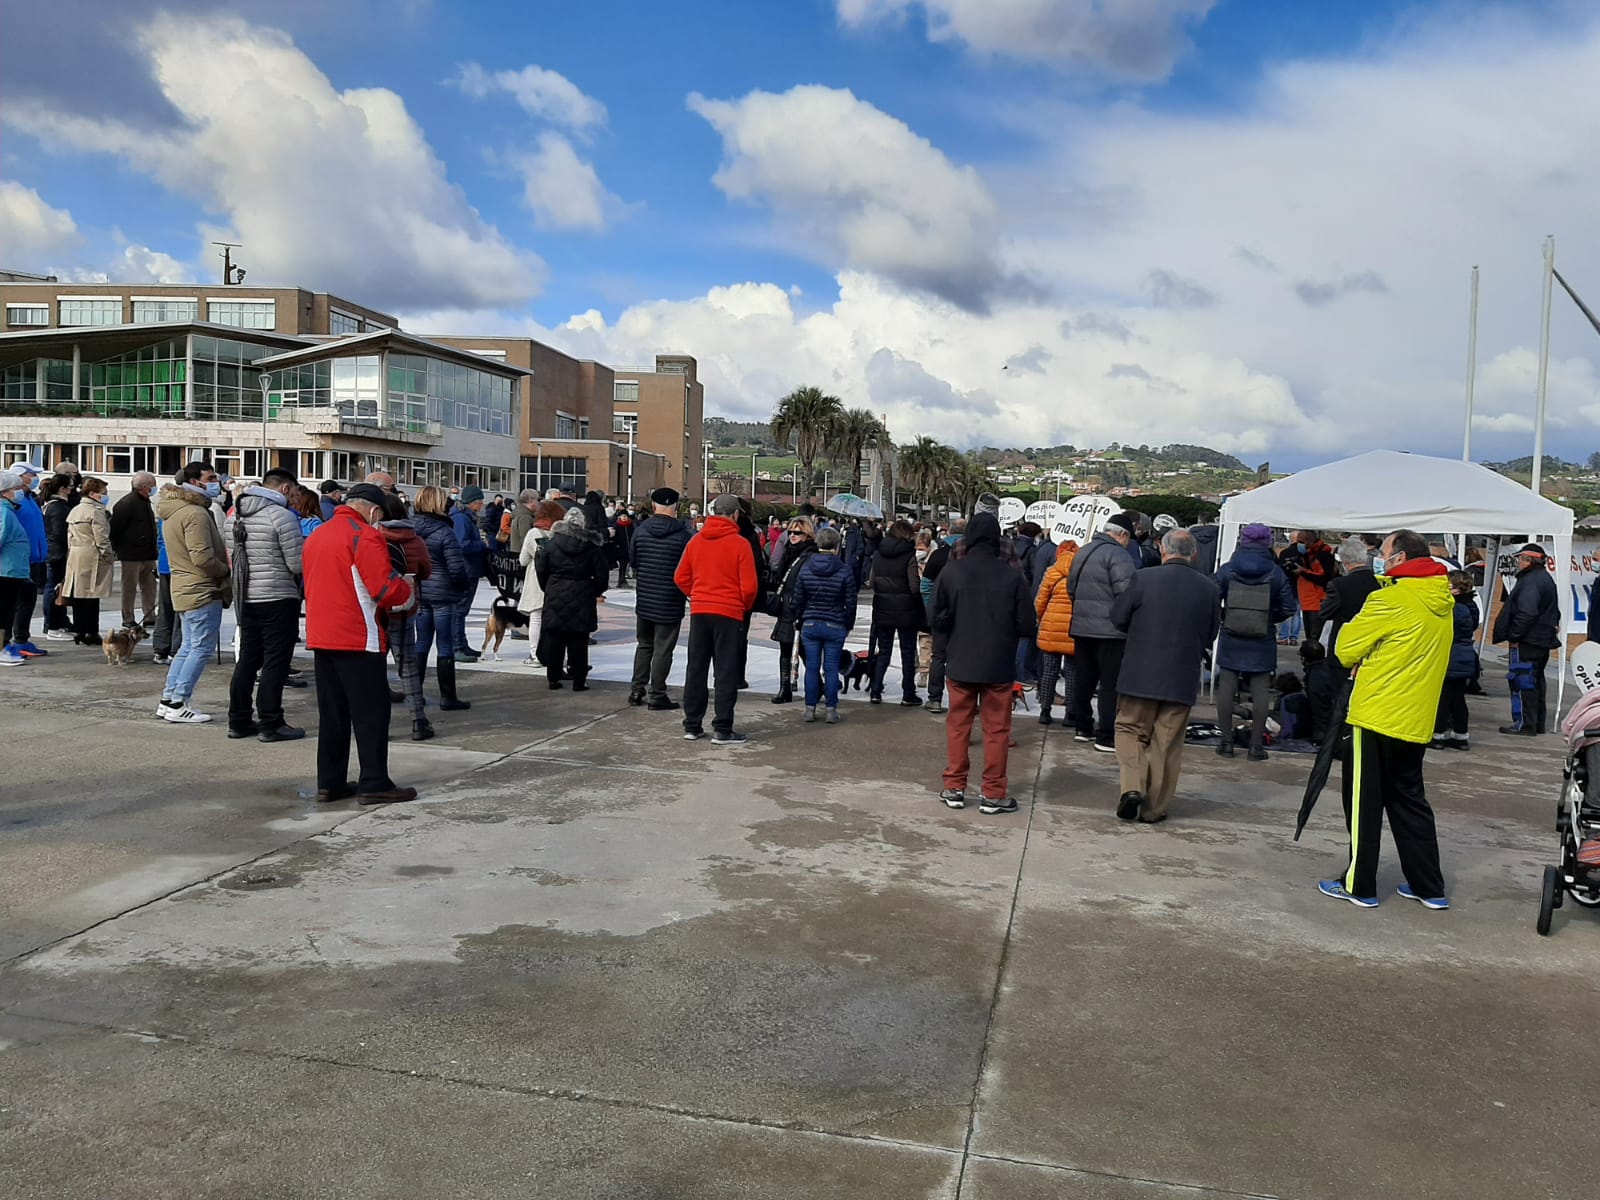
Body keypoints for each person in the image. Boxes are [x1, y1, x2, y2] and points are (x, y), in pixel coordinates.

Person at [1321, 529, 1452, 909]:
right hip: (1416, 716)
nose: (1380, 557)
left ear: (1399, 558)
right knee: (1410, 800)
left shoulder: (1389, 598)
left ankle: (1359, 884)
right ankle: (1429, 886)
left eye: (1384, 551)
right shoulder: (1442, 599)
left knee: (1363, 802)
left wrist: (1367, 649)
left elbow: (1345, 649)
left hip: (1376, 712)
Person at [303, 483, 417, 805]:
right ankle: (374, 781)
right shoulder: (364, 535)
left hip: (322, 634)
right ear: (375, 511)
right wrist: (406, 589)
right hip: (357, 635)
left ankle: (330, 781)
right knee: (371, 713)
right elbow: (384, 589)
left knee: (333, 713)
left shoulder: (318, 534)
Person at [1110, 528, 1221, 823]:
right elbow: (1211, 633)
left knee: (1129, 729)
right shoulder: (1209, 588)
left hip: (1140, 671)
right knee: (1167, 742)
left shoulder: (1143, 578)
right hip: (1182, 674)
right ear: (1193, 554)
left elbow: (1118, 617)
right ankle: (1154, 808)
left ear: (1162, 550)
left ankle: (1132, 787)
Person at [932, 512, 1035, 814]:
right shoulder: (1012, 576)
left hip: (961, 659)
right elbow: (1027, 624)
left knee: (958, 725)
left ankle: (954, 786)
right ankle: (993, 792)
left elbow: (933, 616)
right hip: (998, 662)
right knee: (997, 730)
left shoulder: (952, 571)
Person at [226, 468, 306, 742]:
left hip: (246, 597)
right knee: (275, 661)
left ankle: (238, 720)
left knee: (248, 659)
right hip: (278, 597)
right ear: (285, 488)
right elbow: (296, 564)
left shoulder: (235, 515)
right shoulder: (281, 517)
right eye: (295, 492)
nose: (296, 498)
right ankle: (271, 723)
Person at [673, 492, 759, 744]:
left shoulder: (696, 541)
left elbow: (680, 577)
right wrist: (742, 605)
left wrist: (696, 595)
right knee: (725, 671)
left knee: (696, 668)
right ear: (735, 514)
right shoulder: (740, 544)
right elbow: (750, 587)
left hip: (701, 610)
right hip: (729, 612)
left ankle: (692, 724)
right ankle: (723, 727)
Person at [154, 463, 229, 724]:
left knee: (188, 646)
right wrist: (225, 571)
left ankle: (169, 699)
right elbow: (202, 557)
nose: (216, 483)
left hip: (184, 585)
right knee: (199, 647)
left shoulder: (174, 510)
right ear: (195, 482)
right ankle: (178, 701)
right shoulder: (195, 513)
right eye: (210, 478)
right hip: (200, 587)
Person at [1213, 522, 1296, 760]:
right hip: (1262, 636)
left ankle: (1226, 743)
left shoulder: (1228, 569)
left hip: (1231, 634)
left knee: (1226, 687)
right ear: (1267, 542)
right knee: (1260, 690)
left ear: (1243, 541)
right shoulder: (1275, 572)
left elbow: (1212, 595)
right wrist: (1269, 618)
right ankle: (1256, 746)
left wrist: (1225, 616)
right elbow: (1289, 606)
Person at [1066, 511, 1138, 751]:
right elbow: (1126, 594)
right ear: (1123, 535)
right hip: (1110, 631)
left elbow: (1071, 588)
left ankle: (1082, 727)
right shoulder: (1119, 555)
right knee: (1109, 684)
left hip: (1081, 627)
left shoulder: (1083, 551)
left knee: (1084, 680)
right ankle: (1106, 735)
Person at [375, 491, 433, 740]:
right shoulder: (414, 539)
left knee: (374, 666)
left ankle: (378, 726)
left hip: (376, 607)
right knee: (407, 665)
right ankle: (418, 721)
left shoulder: (372, 537)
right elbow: (426, 571)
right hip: (404, 607)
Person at [411, 486, 473, 714]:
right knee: (445, 645)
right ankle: (448, 696)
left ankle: (415, 692)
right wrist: (463, 586)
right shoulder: (445, 532)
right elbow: (456, 568)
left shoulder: (411, 529)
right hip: (444, 593)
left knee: (421, 643)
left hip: (421, 590)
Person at [628, 487, 692, 709]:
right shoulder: (684, 535)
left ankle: (637, 689)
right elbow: (688, 568)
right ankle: (657, 694)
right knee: (663, 648)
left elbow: (633, 561)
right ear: (676, 507)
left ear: (653, 505)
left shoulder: (640, 531)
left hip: (645, 597)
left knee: (644, 645)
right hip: (670, 599)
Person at [535, 507, 609, 691]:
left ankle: (553, 678)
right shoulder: (591, 546)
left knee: (555, 637)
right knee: (579, 640)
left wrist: (549, 587)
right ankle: (579, 680)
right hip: (582, 593)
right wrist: (593, 590)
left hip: (555, 592)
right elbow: (602, 575)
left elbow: (541, 569)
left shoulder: (551, 544)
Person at [1493, 542, 1560, 736]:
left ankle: (1525, 723)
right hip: (1540, 641)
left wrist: (1514, 635)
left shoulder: (1531, 581)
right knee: (1536, 681)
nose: (1518, 563)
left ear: (1529, 560)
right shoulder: (1544, 578)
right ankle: (1536, 723)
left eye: (1520, 559)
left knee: (1523, 681)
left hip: (1527, 642)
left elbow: (1527, 613)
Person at [792, 526, 859, 723]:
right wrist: (848, 624)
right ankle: (831, 709)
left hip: (810, 622)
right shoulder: (844, 570)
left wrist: (798, 619)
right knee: (831, 668)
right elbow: (851, 601)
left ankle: (809, 709)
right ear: (837, 547)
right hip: (835, 623)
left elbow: (798, 598)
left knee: (812, 668)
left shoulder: (806, 567)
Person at [866, 519, 924, 706]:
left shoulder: (878, 553)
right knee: (908, 652)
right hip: (906, 609)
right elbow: (914, 586)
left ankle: (875, 690)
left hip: (882, 607)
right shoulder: (909, 555)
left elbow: (872, 582)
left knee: (884, 651)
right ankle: (908, 693)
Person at [1319, 536, 1383, 687]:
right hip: (1372, 641)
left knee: (1339, 689)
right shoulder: (1379, 583)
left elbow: (1324, 612)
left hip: (1342, 641)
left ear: (1344, 561)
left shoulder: (1338, 585)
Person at [769, 516, 819, 705]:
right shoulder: (789, 552)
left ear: (807, 534)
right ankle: (785, 688)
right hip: (787, 606)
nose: (792, 535)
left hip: (799, 607)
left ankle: (817, 684)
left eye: (797, 532)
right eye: (790, 532)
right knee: (785, 647)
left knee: (803, 649)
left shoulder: (810, 555)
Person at [61, 476, 116, 647]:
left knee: (78, 595)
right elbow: (101, 538)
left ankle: (79, 630)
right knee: (92, 595)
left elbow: (69, 536)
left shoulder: (75, 510)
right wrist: (109, 556)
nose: (105, 496)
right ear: (92, 493)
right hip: (92, 555)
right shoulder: (96, 512)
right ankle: (91, 631)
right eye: (103, 492)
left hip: (76, 554)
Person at [1032, 537, 1080, 727]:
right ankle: (1070, 714)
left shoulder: (1052, 572)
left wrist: (1040, 618)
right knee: (1072, 673)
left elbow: (1041, 600)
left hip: (1051, 626)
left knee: (1049, 671)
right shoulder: (1082, 573)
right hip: (1073, 628)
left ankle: (1045, 711)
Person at [921, 518, 965, 714]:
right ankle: (963, 701)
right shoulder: (970, 555)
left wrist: (931, 606)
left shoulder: (938, 554)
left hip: (940, 612)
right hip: (965, 613)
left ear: (949, 532)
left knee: (938, 656)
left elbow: (925, 585)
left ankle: (935, 699)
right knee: (963, 656)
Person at [1433, 569, 1479, 751]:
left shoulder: (1454, 608)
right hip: (1465, 656)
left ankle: (1438, 735)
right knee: (1458, 699)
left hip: (1450, 656)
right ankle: (1460, 735)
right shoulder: (1471, 606)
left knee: (1443, 699)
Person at [108, 471, 160, 633]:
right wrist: (118, 549)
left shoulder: (145, 502)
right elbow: (115, 530)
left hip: (148, 554)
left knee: (150, 587)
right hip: (130, 555)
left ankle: (149, 616)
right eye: (152, 485)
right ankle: (128, 618)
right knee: (129, 588)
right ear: (144, 487)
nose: (154, 488)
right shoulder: (126, 504)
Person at [516, 500, 565, 670]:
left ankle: (535, 655)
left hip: (536, 580)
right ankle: (556, 655)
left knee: (536, 618)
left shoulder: (533, 533)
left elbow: (523, 560)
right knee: (554, 621)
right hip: (556, 581)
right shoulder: (559, 534)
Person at [450, 486, 489, 662]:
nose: (481, 506)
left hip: (469, 569)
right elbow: (462, 545)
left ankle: (462, 644)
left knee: (462, 610)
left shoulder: (464, 517)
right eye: (480, 503)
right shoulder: (461, 519)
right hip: (466, 569)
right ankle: (457, 647)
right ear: (472, 503)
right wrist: (482, 544)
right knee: (459, 610)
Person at [1282, 530, 1339, 642]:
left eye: (1301, 542)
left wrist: (1302, 572)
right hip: (1307, 600)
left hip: (1317, 601)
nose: (1298, 545)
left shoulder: (1322, 555)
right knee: (1310, 637)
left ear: (1310, 541)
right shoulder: (1307, 554)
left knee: (1314, 638)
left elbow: (1324, 578)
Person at [40, 473, 76, 643]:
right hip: (57, 554)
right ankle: (52, 625)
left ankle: (60, 622)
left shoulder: (56, 505)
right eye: (70, 487)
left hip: (56, 552)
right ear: (62, 489)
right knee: (54, 589)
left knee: (59, 588)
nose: (71, 490)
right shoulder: (57, 507)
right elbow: (59, 532)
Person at [0, 473, 30, 666]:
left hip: (13, 569)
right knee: (3, 613)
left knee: (7, 611)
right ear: (6, 492)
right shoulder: (3, 512)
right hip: (6, 571)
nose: (20, 492)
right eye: (16, 489)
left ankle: (4, 645)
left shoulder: (9, 511)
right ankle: (1, 648)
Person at [1299, 639, 1337, 746]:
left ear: (1304, 658)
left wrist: (1319, 736)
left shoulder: (1316, 677)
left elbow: (1320, 709)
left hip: (1326, 730)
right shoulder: (1327, 668)